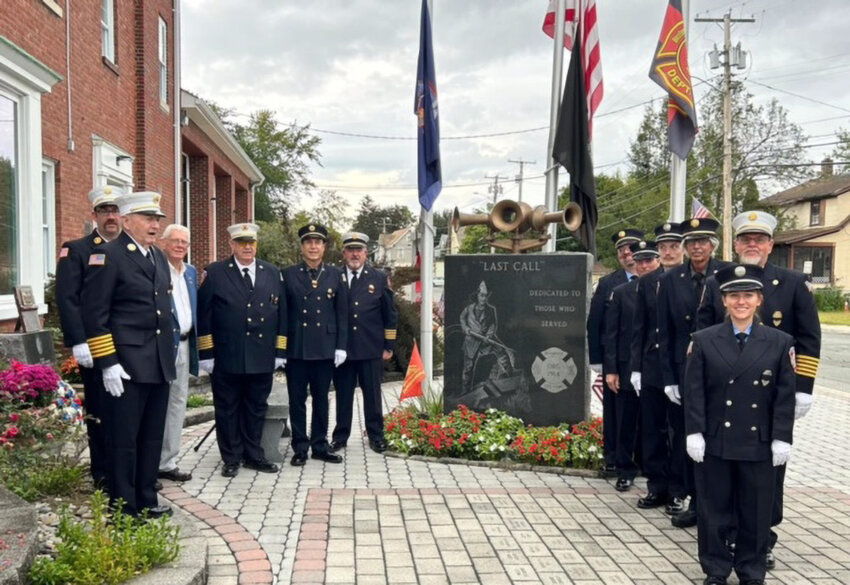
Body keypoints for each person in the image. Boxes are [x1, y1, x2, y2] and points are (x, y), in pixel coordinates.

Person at [697, 210, 821, 568]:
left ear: (770, 244)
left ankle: (763, 537)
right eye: (745, 239)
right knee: (724, 471)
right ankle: (729, 536)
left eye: (759, 239)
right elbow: (701, 335)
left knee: (769, 472)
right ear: (736, 244)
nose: (752, 244)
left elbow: (810, 338)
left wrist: (803, 388)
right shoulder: (717, 282)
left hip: (773, 397)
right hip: (726, 397)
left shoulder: (793, 282)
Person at [685, 263, 795, 585]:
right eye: (734, 296)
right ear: (724, 301)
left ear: (759, 300)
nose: (741, 302)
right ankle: (716, 569)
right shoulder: (703, 340)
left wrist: (781, 437)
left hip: (758, 441)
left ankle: (750, 570)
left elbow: (784, 395)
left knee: (756, 512)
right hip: (717, 439)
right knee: (713, 510)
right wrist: (694, 431)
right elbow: (694, 391)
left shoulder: (779, 341)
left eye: (748, 295)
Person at [81, 191, 174, 518]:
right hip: (126, 366)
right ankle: (124, 509)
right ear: (126, 220)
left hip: (158, 363)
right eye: (148, 219)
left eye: (157, 220)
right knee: (123, 441)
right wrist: (107, 363)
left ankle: (146, 499)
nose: (154, 225)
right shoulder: (108, 255)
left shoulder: (158, 257)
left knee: (150, 439)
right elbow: (95, 315)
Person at [197, 223, 287, 478]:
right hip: (227, 355)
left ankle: (254, 455)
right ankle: (231, 457)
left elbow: (282, 314)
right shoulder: (214, 273)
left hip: (261, 355)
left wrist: (280, 351)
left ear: (256, 244)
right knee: (227, 408)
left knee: (256, 407)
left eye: (251, 242)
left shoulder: (271, 272)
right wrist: (206, 353)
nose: (247, 247)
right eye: (241, 242)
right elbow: (203, 315)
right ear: (232, 244)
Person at [657, 217, 731, 527]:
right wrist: (670, 378)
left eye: (702, 241)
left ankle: (717, 506)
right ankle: (692, 499)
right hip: (685, 371)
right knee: (689, 439)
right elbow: (666, 332)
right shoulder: (672, 279)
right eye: (691, 242)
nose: (697, 246)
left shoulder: (728, 275)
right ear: (685, 248)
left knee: (719, 441)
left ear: (713, 245)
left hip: (723, 372)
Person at [55, 186, 122, 491]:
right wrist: (78, 340)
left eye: (115, 210)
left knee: (125, 413)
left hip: (127, 347)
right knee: (100, 411)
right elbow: (67, 299)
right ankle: (103, 472)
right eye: (105, 211)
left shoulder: (126, 249)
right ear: (94, 215)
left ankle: (125, 471)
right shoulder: (77, 249)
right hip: (94, 347)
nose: (111, 216)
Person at [282, 223, 348, 467]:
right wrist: (281, 349)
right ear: (302, 247)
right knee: (297, 400)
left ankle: (320, 446)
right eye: (308, 242)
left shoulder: (335, 275)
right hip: (297, 348)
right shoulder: (288, 274)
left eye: (317, 242)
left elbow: (342, 313)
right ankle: (300, 447)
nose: (313, 246)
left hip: (324, 347)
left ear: (324, 247)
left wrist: (341, 346)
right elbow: (283, 315)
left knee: (321, 399)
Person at [630, 222, 685, 510]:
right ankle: (657, 486)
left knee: (679, 432)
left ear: (683, 248)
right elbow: (640, 327)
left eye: (674, 246)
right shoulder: (648, 282)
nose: (668, 251)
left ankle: (678, 490)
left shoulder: (694, 279)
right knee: (652, 430)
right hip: (653, 365)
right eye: (663, 247)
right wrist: (637, 367)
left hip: (680, 367)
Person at [330, 232, 398, 454]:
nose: (355, 254)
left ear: (366, 253)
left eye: (359, 250)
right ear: (344, 253)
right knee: (343, 395)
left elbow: (390, 313)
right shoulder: (334, 276)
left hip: (370, 348)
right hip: (343, 350)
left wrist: (388, 345)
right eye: (350, 250)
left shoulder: (378, 277)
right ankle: (340, 437)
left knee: (372, 395)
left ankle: (376, 436)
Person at [604, 240, 660, 491]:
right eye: (640, 261)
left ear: (658, 262)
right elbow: (612, 334)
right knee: (626, 422)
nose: (645, 265)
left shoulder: (667, 289)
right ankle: (625, 469)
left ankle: (653, 469)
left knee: (655, 424)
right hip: (627, 367)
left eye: (650, 260)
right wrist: (611, 369)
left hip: (656, 368)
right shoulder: (622, 292)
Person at [588, 228, 643, 476]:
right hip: (617, 361)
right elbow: (596, 322)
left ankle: (642, 460)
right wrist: (598, 361)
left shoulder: (657, 278)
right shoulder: (609, 283)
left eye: (630, 248)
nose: (626, 253)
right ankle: (612, 458)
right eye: (621, 250)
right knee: (616, 415)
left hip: (647, 360)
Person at [157, 224, 198, 483]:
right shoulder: (156, 269)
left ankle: (167, 462)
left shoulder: (191, 272)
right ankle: (149, 462)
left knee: (177, 403)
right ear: (164, 243)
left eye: (185, 242)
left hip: (185, 345)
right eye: (175, 241)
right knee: (158, 405)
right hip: (162, 348)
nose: (180, 246)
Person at [459, 281, 514, 392]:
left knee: (502, 352)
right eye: (482, 296)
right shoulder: (469, 309)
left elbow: (493, 324)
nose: (484, 298)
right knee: (468, 369)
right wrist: (466, 329)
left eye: (486, 296)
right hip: (471, 342)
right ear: (477, 295)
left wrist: (489, 335)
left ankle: (510, 377)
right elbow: (462, 318)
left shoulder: (490, 310)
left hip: (486, 341)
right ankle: (465, 392)